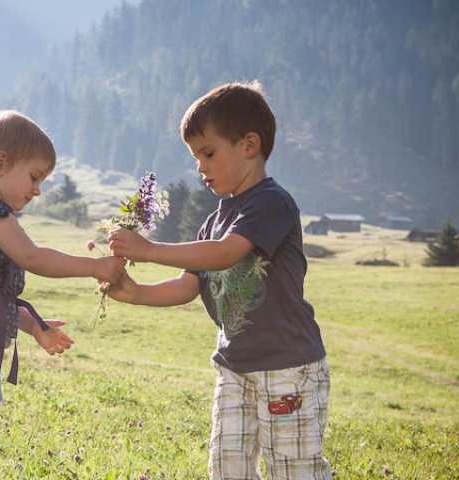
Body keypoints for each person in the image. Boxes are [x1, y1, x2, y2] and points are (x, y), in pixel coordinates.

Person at [104, 81, 331, 479]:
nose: (200, 167)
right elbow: (188, 285)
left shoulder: (270, 203)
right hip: (234, 366)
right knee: (227, 468)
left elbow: (229, 252)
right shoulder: (214, 220)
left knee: (293, 470)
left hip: (287, 366)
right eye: (195, 157)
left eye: (208, 153)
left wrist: (149, 249)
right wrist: (135, 293)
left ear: (249, 145)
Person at [0, 110, 125, 480]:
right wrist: (95, 267)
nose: (38, 190)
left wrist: (35, 327)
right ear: (0, 163)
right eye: (34, 177)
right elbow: (33, 257)